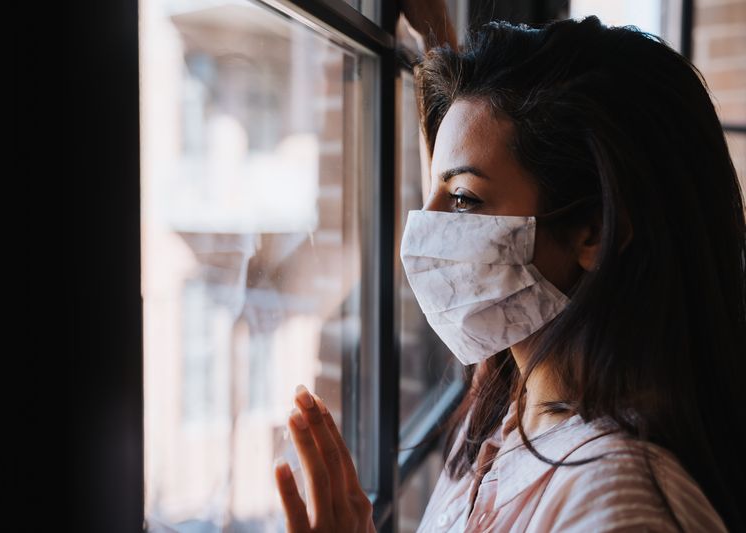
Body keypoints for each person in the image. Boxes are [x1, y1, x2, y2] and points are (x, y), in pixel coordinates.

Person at [272, 6, 746, 533]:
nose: (422, 229)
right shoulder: (514, 409)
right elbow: (483, 149)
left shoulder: (616, 505)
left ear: (593, 231)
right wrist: (439, 45)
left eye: (460, 199)